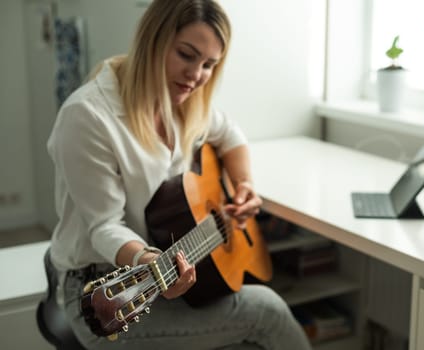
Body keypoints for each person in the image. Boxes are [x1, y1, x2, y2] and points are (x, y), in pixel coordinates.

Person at [46, 0, 312, 349]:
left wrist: (244, 184)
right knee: (268, 310)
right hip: (108, 295)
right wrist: (148, 264)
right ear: (152, 40)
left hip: (176, 268)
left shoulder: (182, 99)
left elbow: (230, 134)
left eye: (208, 65)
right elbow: (103, 226)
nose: (196, 75)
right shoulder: (88, 116)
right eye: (187, 55)